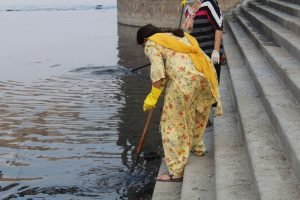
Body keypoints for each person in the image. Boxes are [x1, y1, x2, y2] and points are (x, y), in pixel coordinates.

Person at [136, 24, 222, 182]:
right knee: (195, 114)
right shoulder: (179, 36)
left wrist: (153, 96)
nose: (144, 49)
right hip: (204, 77)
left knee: (172, 124)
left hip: (183, 82)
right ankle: (197, 147)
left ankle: (176, 172)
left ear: (145, 39)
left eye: (142, 45)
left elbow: (158, 75)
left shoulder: (152, 43)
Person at [183, 0, 223, 82]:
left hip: (210, 52)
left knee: (211, 85)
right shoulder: (188, 9)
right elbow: (189, 32)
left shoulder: (208, 4)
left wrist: (216, 51)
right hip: (197, 53)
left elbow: (219, 26)